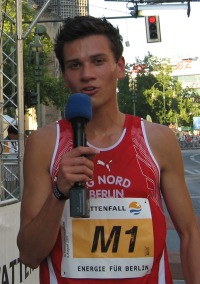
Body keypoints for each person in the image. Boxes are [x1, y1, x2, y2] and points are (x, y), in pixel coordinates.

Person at [17, 16, 200, 284]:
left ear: (120, 67)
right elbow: (29, 255)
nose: (87, 74)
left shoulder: (158, 140)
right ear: (65, 76)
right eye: (75, 65)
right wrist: (58, 192)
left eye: (98, 61)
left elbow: (189, 234)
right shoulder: (44, 144)